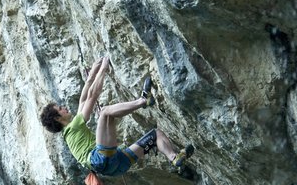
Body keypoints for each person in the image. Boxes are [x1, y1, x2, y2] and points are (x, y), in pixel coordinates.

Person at [39, 56, 193, 177]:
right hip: (100, 158)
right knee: (105, 112)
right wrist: (104, 69)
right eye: (60, 109)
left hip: (114, 167)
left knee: (155, 135)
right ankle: (143, 100)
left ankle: (174, 157)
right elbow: (92, 97)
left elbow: (83, 98)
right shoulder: (74, 127)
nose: (64, 108)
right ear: (58, 118)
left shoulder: (70, 133)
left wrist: (93, 73)